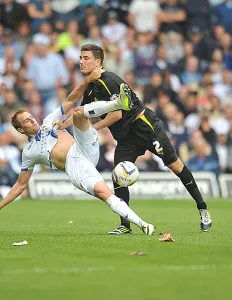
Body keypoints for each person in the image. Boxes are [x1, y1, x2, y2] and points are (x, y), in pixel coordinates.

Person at [0, 69, 156, 236]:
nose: (32, 120)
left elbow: (71, 100)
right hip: (75, 165)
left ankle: (118, 103)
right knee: (105, 193)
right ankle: (143, 224)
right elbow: (20, 185)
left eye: (30, 117)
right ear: (21, 130)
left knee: (79, 112)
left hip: (83, 146)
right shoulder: (28, 152)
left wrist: (86, 81)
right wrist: (0, 206)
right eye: (26, 121)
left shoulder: (48, 121)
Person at [62, 43, 212, 234]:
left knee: (175, 165)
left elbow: (115, 115)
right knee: (118, 176)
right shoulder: (90, 87)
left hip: (145, 127)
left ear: (97, 62)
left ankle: (202, 208)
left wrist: (92, 129)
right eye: (80, 58)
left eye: (86, 58)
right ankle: (125, 226)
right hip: (126, 137)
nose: (81, 62)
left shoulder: (109, 81)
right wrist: (62, 124)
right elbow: (81, 113)